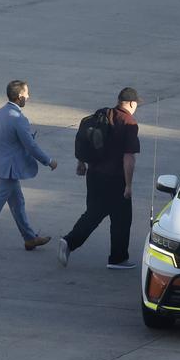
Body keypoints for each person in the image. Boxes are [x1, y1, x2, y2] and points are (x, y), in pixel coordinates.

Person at [0, 80, 58, 256]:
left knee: (18, 202)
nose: (29, 97)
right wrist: (48, 161)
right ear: (20, 96)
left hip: (2, 165)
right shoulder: (19, 119)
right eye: (27, 94)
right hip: (11, 168)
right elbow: (30, 146)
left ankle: (29, 238)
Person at [58, 87, 142, 269]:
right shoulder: (128, 122)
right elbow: (129, 157)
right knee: (119, 218)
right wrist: (128, 185)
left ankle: (117, 258)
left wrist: (81, 163)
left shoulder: (102, 114)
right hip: (115, 178)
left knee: (97, 213)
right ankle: (71, 242)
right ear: (131, 103)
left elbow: (84, 137)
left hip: (94, 175)